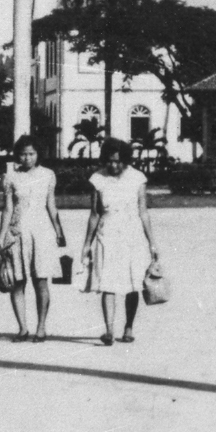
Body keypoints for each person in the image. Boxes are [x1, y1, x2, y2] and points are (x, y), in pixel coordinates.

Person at [83, 139, 159, 346]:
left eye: (118, 161)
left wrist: (152, 243)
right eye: (109, 161)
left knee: (133, 284)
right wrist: (86, 244)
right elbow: (94, 214)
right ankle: (108, 331)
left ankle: (128, 327)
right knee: (107, 283)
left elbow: (143, 212)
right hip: (106, 236)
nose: (113, 165)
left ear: (125, 160)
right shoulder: (97, 179)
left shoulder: (137, 178)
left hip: (132, 235)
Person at [0, 135, 68, 343]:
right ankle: (23, 328)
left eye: (31, 154)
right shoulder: (10, 177)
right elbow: (7, 209)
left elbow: (51, 206)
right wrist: (0, 237)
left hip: (42, 233)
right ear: (17, 155)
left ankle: (41, 327)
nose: (27, 158)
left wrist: (59, 231)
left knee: (41, 281)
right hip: (17, 233)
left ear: (38, 154)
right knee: (16, 281)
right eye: (23, 154)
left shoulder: (47, 175)